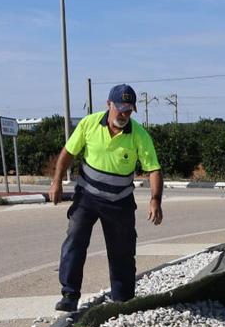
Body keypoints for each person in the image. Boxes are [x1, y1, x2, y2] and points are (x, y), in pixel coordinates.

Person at [48, 83, 163, 311]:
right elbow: (68, 153)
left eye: (129, 110)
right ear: (109, 104)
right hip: (87, 198)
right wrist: (57, 181)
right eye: (120, 108)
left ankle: (123, 300)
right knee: (75, 240)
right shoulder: (89, 123)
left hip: (120, 202)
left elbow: (154, 169)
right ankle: (70, 296)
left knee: (123, 251)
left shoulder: (139, 134)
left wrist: (155, 200)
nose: (124, 114)